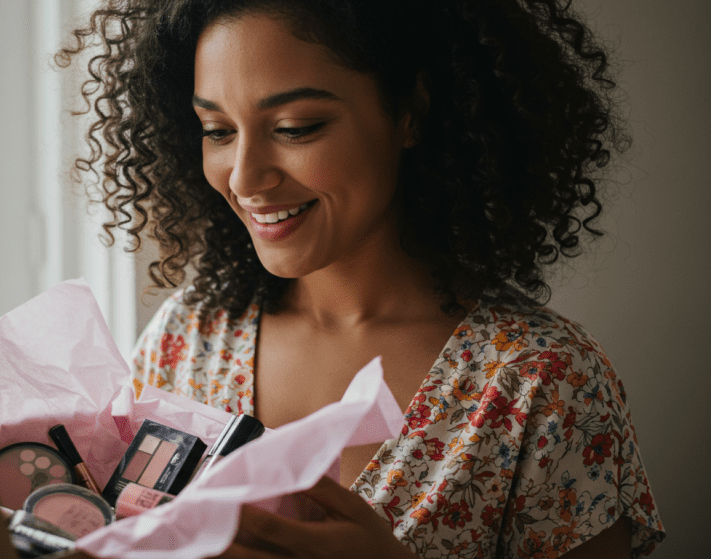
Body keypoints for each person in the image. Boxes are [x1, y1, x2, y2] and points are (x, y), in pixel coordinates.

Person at [56, 0, 666, 557]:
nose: (244, 177)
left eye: (295, 127)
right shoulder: (188, 337)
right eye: (217, 131)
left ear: (411, 114)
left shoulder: (541, 382)